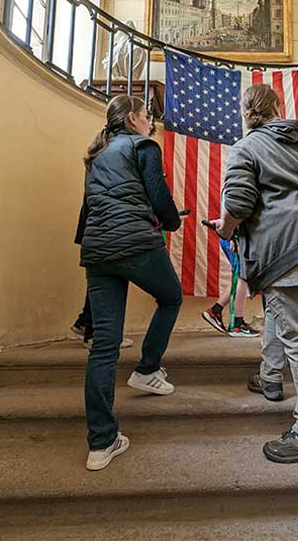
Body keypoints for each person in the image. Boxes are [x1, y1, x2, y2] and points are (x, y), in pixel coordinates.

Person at [210, 84, 298, 464]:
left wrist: (223, 228)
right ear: (276, 107)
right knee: (278, 307)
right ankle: (271, 376)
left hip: (285, 243)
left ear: (245, 113)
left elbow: (237, 203)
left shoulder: (246, 147)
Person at [80, 95, 183, 471]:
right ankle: (146, 370)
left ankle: (101, 443)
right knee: (171, 298)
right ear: (134, 119)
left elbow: (88, 206)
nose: (152, 123)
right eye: (148, 117)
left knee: (104, 346)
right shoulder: (143, 146)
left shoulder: (96, 154)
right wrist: (172, 222)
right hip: (136, 243)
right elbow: (158, 194)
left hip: (97, 250)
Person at [71, 195, 133, 350]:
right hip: (108, 231)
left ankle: (85, 323)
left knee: (101, 280)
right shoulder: (114, 174)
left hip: (95, 230)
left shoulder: (96, 173)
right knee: (110, 281)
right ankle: (94, 334)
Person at [201, 238, 260, 337]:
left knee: (241, 276)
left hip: (235, 239)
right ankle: (237, 325)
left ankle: (215, 311)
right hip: (237, 239)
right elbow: (236, 221)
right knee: (242, 276)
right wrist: (233, 237)